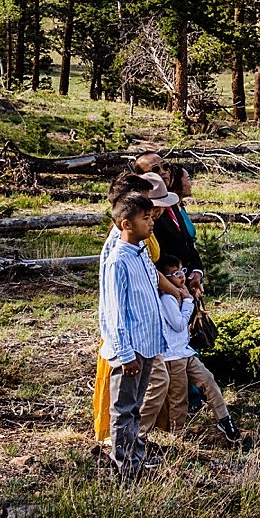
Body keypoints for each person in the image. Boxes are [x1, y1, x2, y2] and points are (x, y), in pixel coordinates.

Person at [92, 172, 184, 446]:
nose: (153, 214)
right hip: (131, 339)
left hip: (147, 335)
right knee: (127, 402)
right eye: (144, 206)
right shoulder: (117, 252)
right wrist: (124, 350)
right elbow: (114, 307)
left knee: (145, 391)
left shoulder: (139, 245)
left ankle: (135, 444)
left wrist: (175, 290)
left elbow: (151, 275)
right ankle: (126, 447)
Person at [98, 189, 165, 479]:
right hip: (130, 349)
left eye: (152, 217)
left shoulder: (142, 256)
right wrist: (126, 355)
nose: (151, 223)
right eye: (145, 218)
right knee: (123, 408)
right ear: (126, 223)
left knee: (135, 407)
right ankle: (124, 467)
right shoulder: (118, 261)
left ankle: (135, 460)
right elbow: (114, 313)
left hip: (147, 345)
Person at [142, 256, 239, 442]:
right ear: (164, 278)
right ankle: (176, 436)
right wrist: (187, 303)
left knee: (208, 380)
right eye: (176, 274)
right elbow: (178, 324)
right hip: (172, 355)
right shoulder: (167, 299)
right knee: (179, 397)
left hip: (185, 352)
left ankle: (224, 418)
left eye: (182, 272)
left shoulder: (179, 295)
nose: (182, 277)